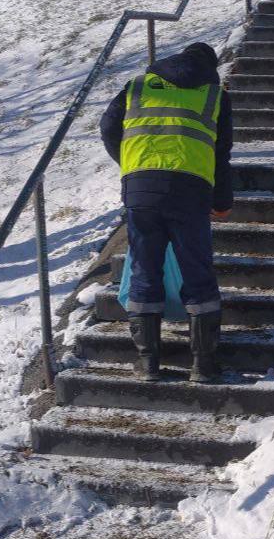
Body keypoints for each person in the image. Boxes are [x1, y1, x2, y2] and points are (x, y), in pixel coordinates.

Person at [99, 42, 233, 383]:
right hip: (191, 191)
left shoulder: (138, 87)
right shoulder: (214, 96)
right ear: (210, 68)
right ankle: (203, 364)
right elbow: (221, 153)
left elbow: (108, 126)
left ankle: (148, 363)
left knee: (145, 270)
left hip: (141, 190)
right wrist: (222, 200)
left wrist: (131, 165)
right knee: (197, 273)